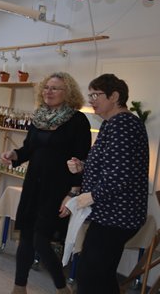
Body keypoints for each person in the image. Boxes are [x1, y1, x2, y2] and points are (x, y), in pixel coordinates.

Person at [0, 72, 91, 294]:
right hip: (33, 185)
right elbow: (29, 148)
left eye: (55, 88)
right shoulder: (39, 117)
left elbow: (81, 160)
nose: (48, 92)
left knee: (40, 240)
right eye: (46, 87)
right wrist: (14, 154)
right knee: (26, 237)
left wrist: (72, 193)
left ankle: (61, 287)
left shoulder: (77, 120)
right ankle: (19, 288)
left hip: (57, 189)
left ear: (68, 93)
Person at [68, 74, 148, 294]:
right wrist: (83, 166)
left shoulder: (123, 125)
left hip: (116, 215)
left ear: (114, 96)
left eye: (96, 95)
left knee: (90, 275)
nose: (91, 100)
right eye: (90, 95)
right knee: (100, 274)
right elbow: (110, 165)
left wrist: (91, 196)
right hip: (111, 214)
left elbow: (120, 175)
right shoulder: (112, 124)